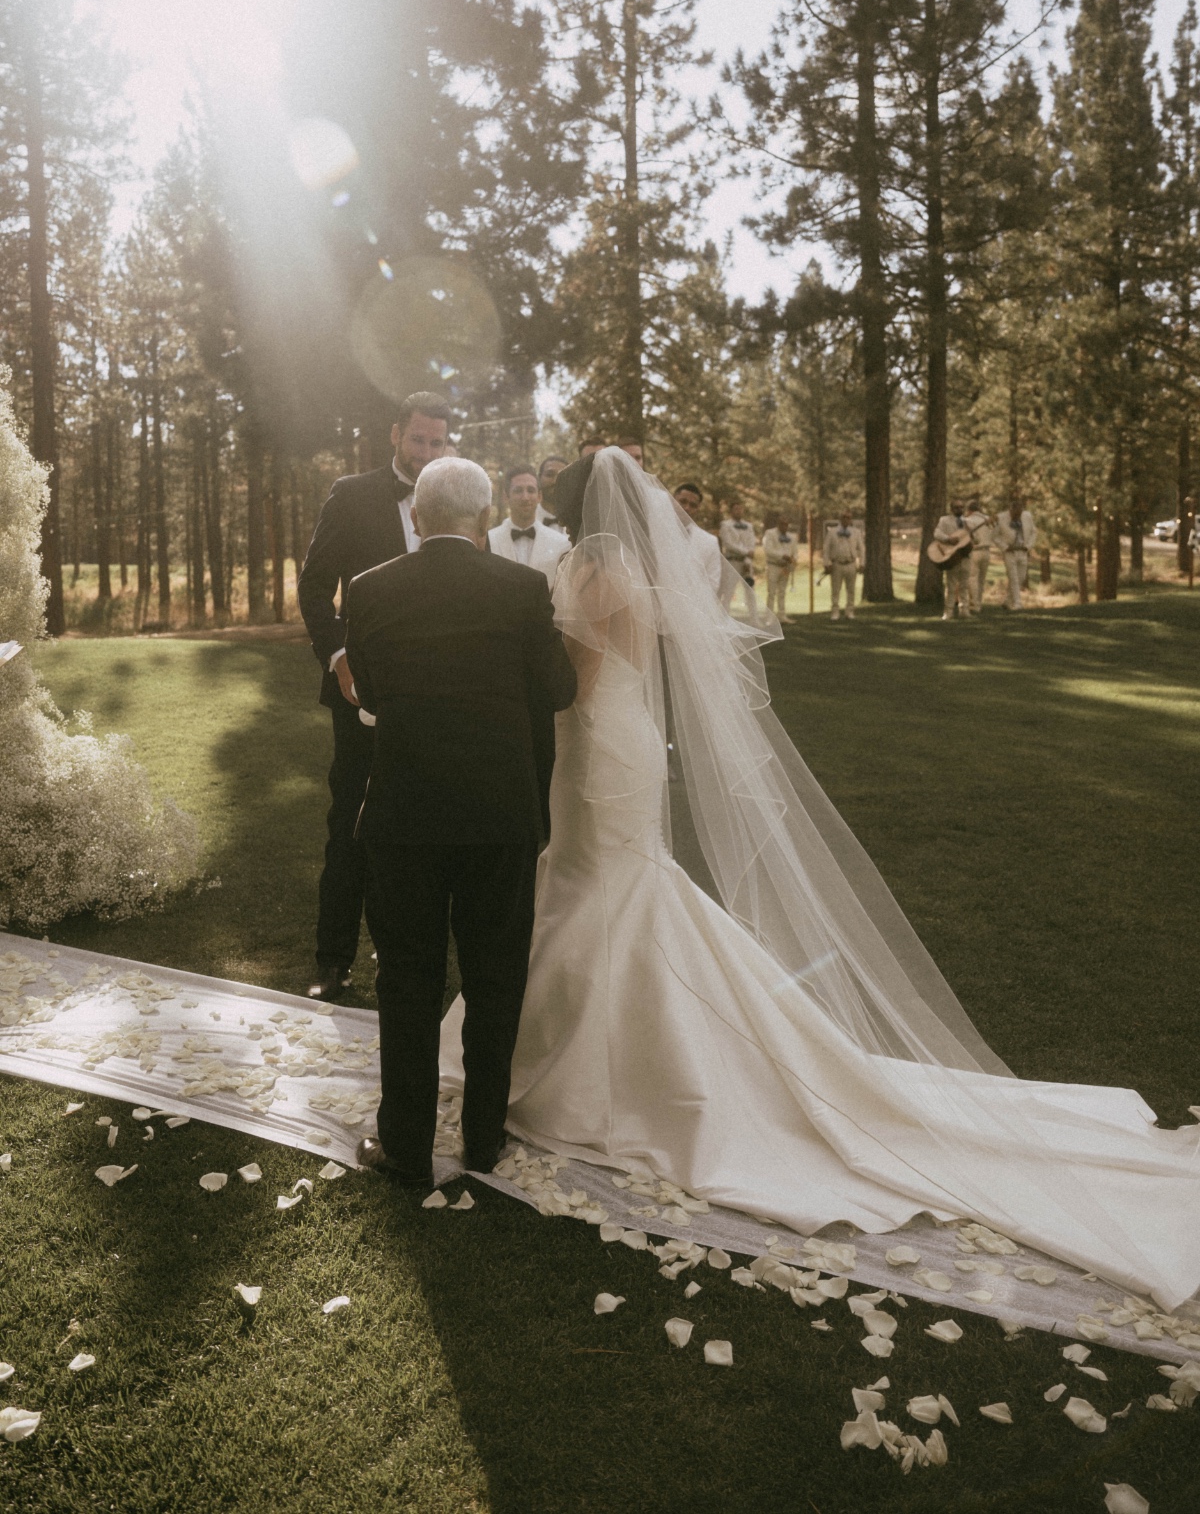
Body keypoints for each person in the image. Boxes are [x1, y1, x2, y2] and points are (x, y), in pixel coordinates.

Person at [438, 448, 1200, 1312]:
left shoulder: (596, 568)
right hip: (618, 747)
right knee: (602, 884)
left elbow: (567, 685)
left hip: (597, 749)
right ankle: (579, 1041)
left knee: (604, 888)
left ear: (577, 505)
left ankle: (596, 1066)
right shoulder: (626, 565)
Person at [346, 457, 577, 1190]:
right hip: (499, 813)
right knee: (495, 978)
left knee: (407, 982)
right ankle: (483, 1141)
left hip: (405, 813)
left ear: (418, 515)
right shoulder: (522, 587)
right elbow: (560, 689)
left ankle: (406, 1148)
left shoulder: (371, 588)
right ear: (482, 517)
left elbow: (374, 693)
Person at [297, 390, 450, 1002]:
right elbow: (313, 589)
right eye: (418, 439)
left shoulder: (459, 499)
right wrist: (338, 659)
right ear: (395, 435)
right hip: (359, 688)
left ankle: (404, 954)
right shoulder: (351, 495)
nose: (427, 452)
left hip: (437, 696)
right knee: (350, 826)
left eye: (438, 442)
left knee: (424, 827)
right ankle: (332, 962)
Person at [489, 464, 571, 588]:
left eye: (531, 490)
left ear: (539, 496)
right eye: (518, 491)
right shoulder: (489, 540)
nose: (525, 497)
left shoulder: (562, 543)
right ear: (506, 497)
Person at [672, 481, 722, 595]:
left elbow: (713, 583)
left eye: (693, 505)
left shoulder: (710, 542)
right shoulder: (654, 530)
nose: (687, 508)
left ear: (697, 509)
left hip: (693, 605)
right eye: (682, 501)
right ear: (673, 500)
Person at [933, 500, 972, 620]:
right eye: (957, 507)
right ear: (951, 509)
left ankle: (964, 610)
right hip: (952, 557)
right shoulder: (944, 520)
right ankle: (948, 612)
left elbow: (975, 539)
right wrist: (948, 539)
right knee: (950, 586)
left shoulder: (967, 522)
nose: (959, 509)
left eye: (961, 507)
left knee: (964, 586)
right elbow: (937, 533)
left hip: (965, 557)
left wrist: (973, 539)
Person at [822, 511, 863, 621]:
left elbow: (861, 549)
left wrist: (862, 563)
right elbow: (826, 549)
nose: (846, 519)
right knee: (835, 590)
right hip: (837, 564)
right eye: (844, 517)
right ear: (840, 519)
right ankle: (835, 612)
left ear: (851, 519)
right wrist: (826, 563)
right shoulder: (832, 532)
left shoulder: (856, 532)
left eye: (848, 518)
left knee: (851, 590)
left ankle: (850, 611)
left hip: (851, 563)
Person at [997, 499, 1037, 610]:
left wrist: (1028, 546)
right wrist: (1005, 547)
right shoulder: (1001, 518)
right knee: (1013, 578)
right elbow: (995, 536)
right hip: (1010, 552)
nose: (1017, 515)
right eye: (1015, 513)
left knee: (1021, 577)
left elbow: (1034, 532)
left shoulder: (1027, 516)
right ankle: (1017, 604)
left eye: (1019, 513)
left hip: (1023, 550)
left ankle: (1007, 601)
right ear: (1010, 510)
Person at [718, 500, 757, 613]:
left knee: (750, 590)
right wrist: (745, 552)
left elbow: (751, 543)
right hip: (732, 562)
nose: (739, 511)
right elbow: (729, 544)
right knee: (728, 591)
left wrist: (748, 559)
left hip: (746, 562)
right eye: (736, 509)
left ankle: (754, 620)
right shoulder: (725, 525)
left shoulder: (749, 526)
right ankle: (725, 619)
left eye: (740, 509)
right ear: (731, 511)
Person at [762, 514, 799, 618]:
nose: (784, 526)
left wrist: (793, 560)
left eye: (786, 524)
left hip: (785, 567)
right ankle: (769, 617)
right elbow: (768, 550)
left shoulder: (792, 536)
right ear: (778, 524)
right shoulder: (770, 533)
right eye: (782, 524)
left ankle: (782, 615)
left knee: (782, 592)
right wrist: (782, 556)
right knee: (771, 592)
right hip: (773, 565)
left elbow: (795, 551)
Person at [965, 500, 994, 614]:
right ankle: (979, 603)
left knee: (972, 578)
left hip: (975, 551)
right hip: (986, 551)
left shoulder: (968, 520)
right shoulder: (988, 520)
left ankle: (975, 605)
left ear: (969, 510)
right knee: (981, 579)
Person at [535, 456, 568, 528]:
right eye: (549, 475)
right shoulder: (526, 521)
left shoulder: (580, 520)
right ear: (539, 479)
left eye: (562, 476)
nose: (555, 481)